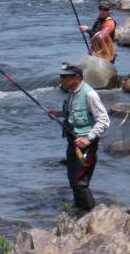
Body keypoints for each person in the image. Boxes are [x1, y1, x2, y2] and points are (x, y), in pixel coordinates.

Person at [49, 62, 110, 212]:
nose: (61, 80)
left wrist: (88, 139)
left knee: (80, 183)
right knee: (73, 180)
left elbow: (104, 120)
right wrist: (59, 113)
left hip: (86, 144)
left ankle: (92, 214)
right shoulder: (72, 92)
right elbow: (74, 113)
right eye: (60, 77)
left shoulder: (89, 94)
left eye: (64, 77)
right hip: (73, 141)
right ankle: (79, 211)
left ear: (76, 77)